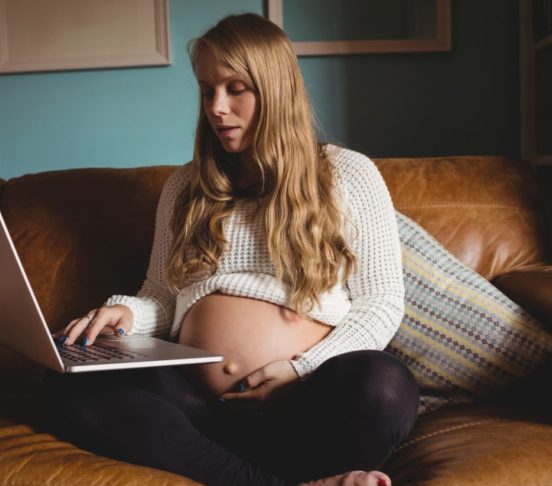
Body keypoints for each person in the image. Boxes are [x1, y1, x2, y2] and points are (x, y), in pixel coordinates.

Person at [44, 13, 418, 486]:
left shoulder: (348, 174)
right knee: (66, 374)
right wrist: (127, 314)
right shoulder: (185, 188)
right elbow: (161, 293)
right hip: (197, 410)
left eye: (235, 88)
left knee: (387, 386)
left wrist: (302, 369)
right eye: (206, 90)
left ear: (275, 89)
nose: (217, 107)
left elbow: (382, 304)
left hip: (304, 403)